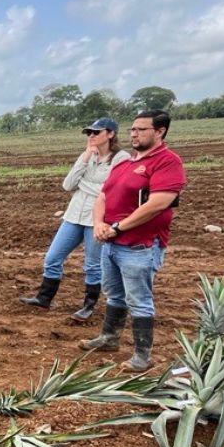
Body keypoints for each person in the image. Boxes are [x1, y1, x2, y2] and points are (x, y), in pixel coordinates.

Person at [80, 110, 186, 372]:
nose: (134, 134)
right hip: (112, 244)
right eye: (133, 130)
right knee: (114, 293)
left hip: (140, 245)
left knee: (138, 298)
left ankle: (142, 355)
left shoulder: (166, 162)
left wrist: (117, 227)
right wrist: (100, 224)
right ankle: (109, 338)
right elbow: (103, 196)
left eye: (141, 129)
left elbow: (157, 204)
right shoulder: (124, 163)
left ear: (159, 131)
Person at [20, 117, 130, 320]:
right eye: (89, 132)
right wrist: (86, 155)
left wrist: (86, 186)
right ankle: (44, 298)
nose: (91, 136)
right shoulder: (87, 156)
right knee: (52, 258)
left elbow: (114, 190)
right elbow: (68, 185)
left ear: (111, 134)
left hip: (97, 218)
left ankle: (89, 305)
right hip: (74, 215)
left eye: (96, 132)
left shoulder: (121, 158)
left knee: (92, 264)